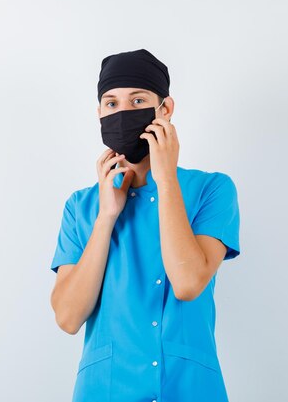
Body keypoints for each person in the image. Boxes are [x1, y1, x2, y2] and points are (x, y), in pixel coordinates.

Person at [49, 48, 241, 402]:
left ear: (164, 110)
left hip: (190, 388)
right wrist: (107, 216)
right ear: (99, 113)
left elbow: (187, 283)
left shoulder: (212, 189)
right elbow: (68, 317)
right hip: (105, 390)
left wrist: (166, 177)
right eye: (111, 103)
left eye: (138, 100)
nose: (122, 112)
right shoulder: (82, 206)